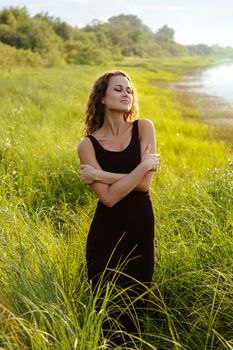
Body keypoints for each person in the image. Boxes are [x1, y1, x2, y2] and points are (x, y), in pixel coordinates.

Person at [77, 70, 159, 347]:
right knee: (106, 315)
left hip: (140, 230)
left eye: (129, 90)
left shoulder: (143, 127)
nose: (127, 94)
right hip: (105, 236)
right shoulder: (87, 145)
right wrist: (143, 166)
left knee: (137, 309)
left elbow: (145, 185)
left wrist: (100, 175)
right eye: (118, 89)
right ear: (101, 97)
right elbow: (109, 199)